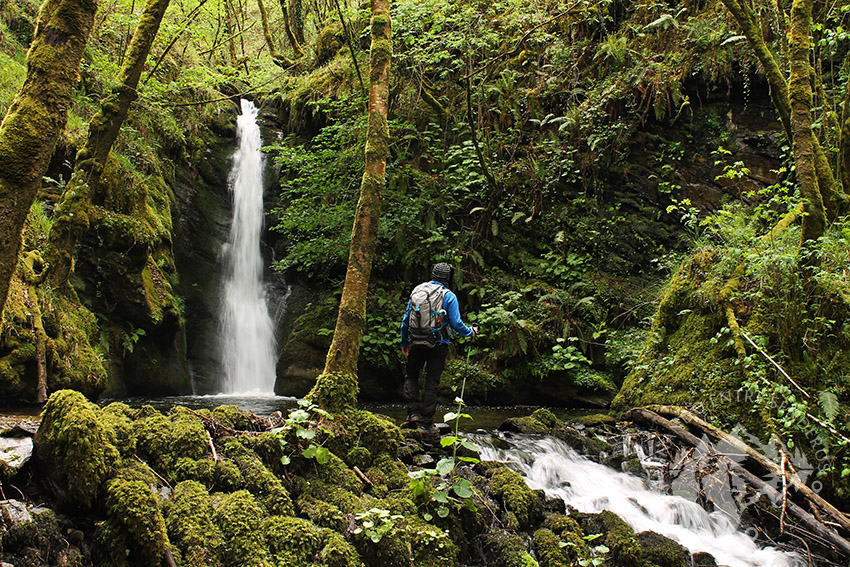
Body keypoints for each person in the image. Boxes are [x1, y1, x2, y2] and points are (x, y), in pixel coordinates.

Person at [400, 262, 477, 433]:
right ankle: (426, 423)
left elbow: (406, 319)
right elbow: (456, 323)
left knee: (411, 376)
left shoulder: (418, 291)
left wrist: (405, 342)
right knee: (431, 383)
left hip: (417, 341)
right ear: (447, 278)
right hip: (439, 344)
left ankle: (413, 413)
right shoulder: (448, 296)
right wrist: (470, 332)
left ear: (433, 275)